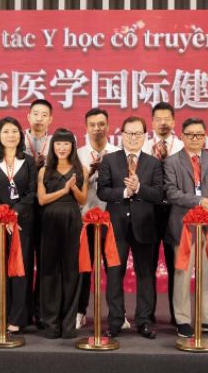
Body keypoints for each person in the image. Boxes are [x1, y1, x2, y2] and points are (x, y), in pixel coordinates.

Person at [97, 116, 164, 339]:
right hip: (116, 226)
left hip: (144, 226)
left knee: (145, 274)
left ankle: (144, 321)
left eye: (138, 133)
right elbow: (102, 191)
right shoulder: (109, 160)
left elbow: (159, 194)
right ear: (122, 135)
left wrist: (139, 188)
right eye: (129, 133)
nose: (133, 137)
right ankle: (116, 320)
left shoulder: (153, 163)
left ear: (145, 136)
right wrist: (125, 192)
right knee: (114, 273)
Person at [164, 118, 208, 339]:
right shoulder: (172, 162)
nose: (195, 138)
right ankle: (182, 320)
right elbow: (171, 192)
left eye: (199, 134)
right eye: (190, 134)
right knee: (182, 273)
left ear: (205, 136)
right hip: (183, 226)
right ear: (182, 136)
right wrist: (200, 201)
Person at [0, 117, 38, 332]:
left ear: (20, 135)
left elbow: (31, 192)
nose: (10, 135)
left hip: (22, 223)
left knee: (20, 268)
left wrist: (14, 214)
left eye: (14, 131)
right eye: (6, 131)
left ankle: (17, 319)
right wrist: (2, 215)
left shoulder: (29, 161)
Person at [37, 128, 87, 338]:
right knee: (49, 271)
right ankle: (51, 324)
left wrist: (73, 189)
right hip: (49, 221)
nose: (62, 147)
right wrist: (64, 190)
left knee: (71, 271)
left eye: (66, 144)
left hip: (72, 221)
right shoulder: (44, 170)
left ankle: (68, 325)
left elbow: (83, 199)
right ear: (53, 146)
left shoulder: (81, 169)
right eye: (58, 143)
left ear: (72, 146)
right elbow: (42, 200)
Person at [75, 107, 120, 329]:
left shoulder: (118, 154)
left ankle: (117, 314)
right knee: (84, 268)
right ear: (86, 127)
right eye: (92, 125)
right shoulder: (78, 154)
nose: (97, 129)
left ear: (108, 126)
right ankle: (80, 311)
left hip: (111, 220)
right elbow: (73, 187)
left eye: (101, 124)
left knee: (113, 269)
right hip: (84, 219)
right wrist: (88, 175)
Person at [143, 101, 184, 325]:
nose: (163, 123)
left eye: (167, 118)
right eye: (158, 119)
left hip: (175, 212)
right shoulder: (143, 146)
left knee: (176, 264)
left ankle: (178, 315)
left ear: (174, 121)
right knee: (147, 265)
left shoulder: (182, 147)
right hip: (149, 211)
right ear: (152, 122)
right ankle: (147, 314)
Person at [24, 99, 54, 327]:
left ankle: (42, 311)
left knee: (45, 261)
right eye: (36, 113)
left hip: (47, 207)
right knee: (23, 260)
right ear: (28, 116)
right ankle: (22, 312)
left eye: (44, 114)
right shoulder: (17, 139)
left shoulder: (56, 142)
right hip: (24, 207)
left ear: (50, 119)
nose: (39, 118)